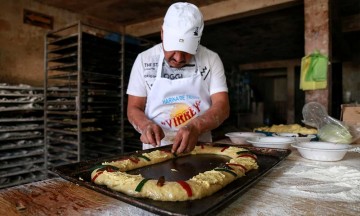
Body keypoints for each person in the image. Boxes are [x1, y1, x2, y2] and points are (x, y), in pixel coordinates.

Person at [126, 2, 230, 154]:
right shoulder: (144, 60)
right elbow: (134, 108)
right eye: (173, 49)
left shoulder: (211, 59)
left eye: (187, 51)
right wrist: (145, 125)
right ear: (162, 34)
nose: (179, 58)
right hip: (156, 148)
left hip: (200, 147)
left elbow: (222, 105)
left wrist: (196, 126)